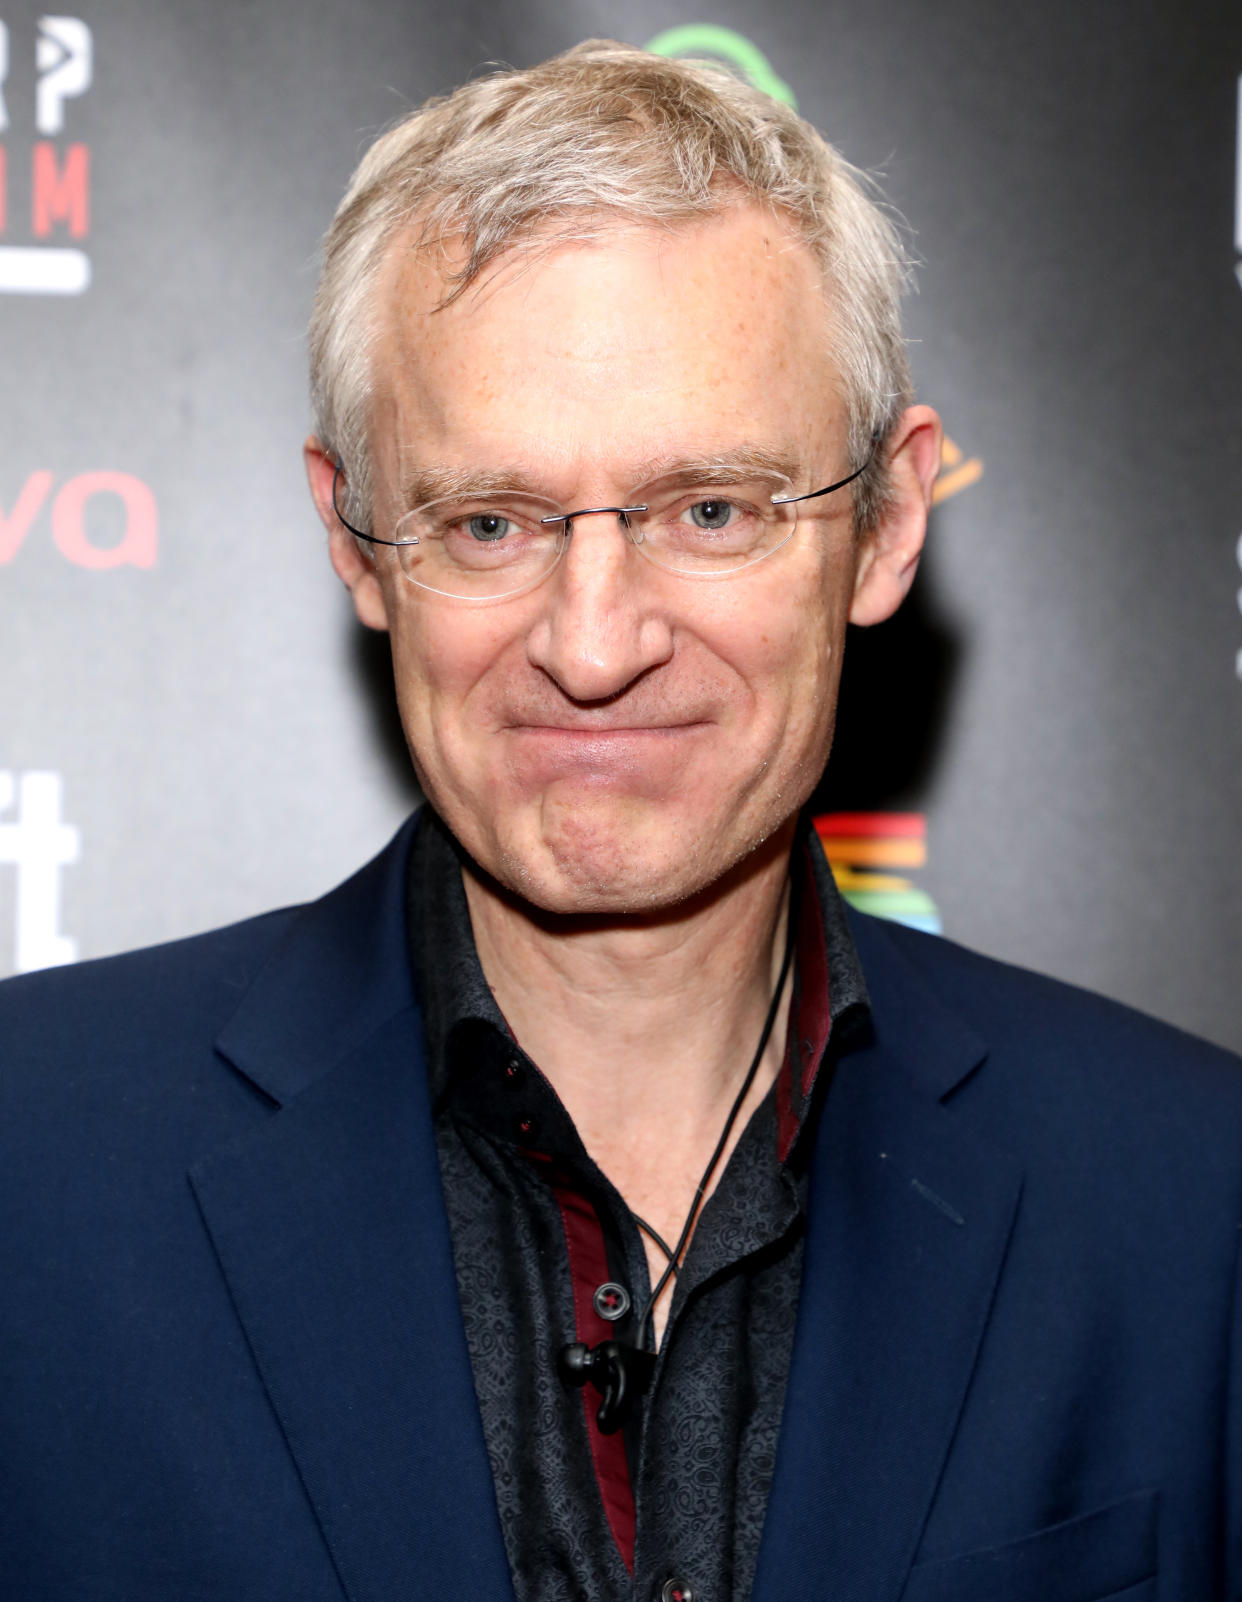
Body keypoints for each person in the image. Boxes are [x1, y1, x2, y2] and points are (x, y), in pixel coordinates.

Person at [2, 39, 1240, 1602]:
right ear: (357, 545)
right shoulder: (24, 1169)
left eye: (709, 509)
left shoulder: (1195, 1206)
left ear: (886, 524)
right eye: (490, 521)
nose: (593, 644)